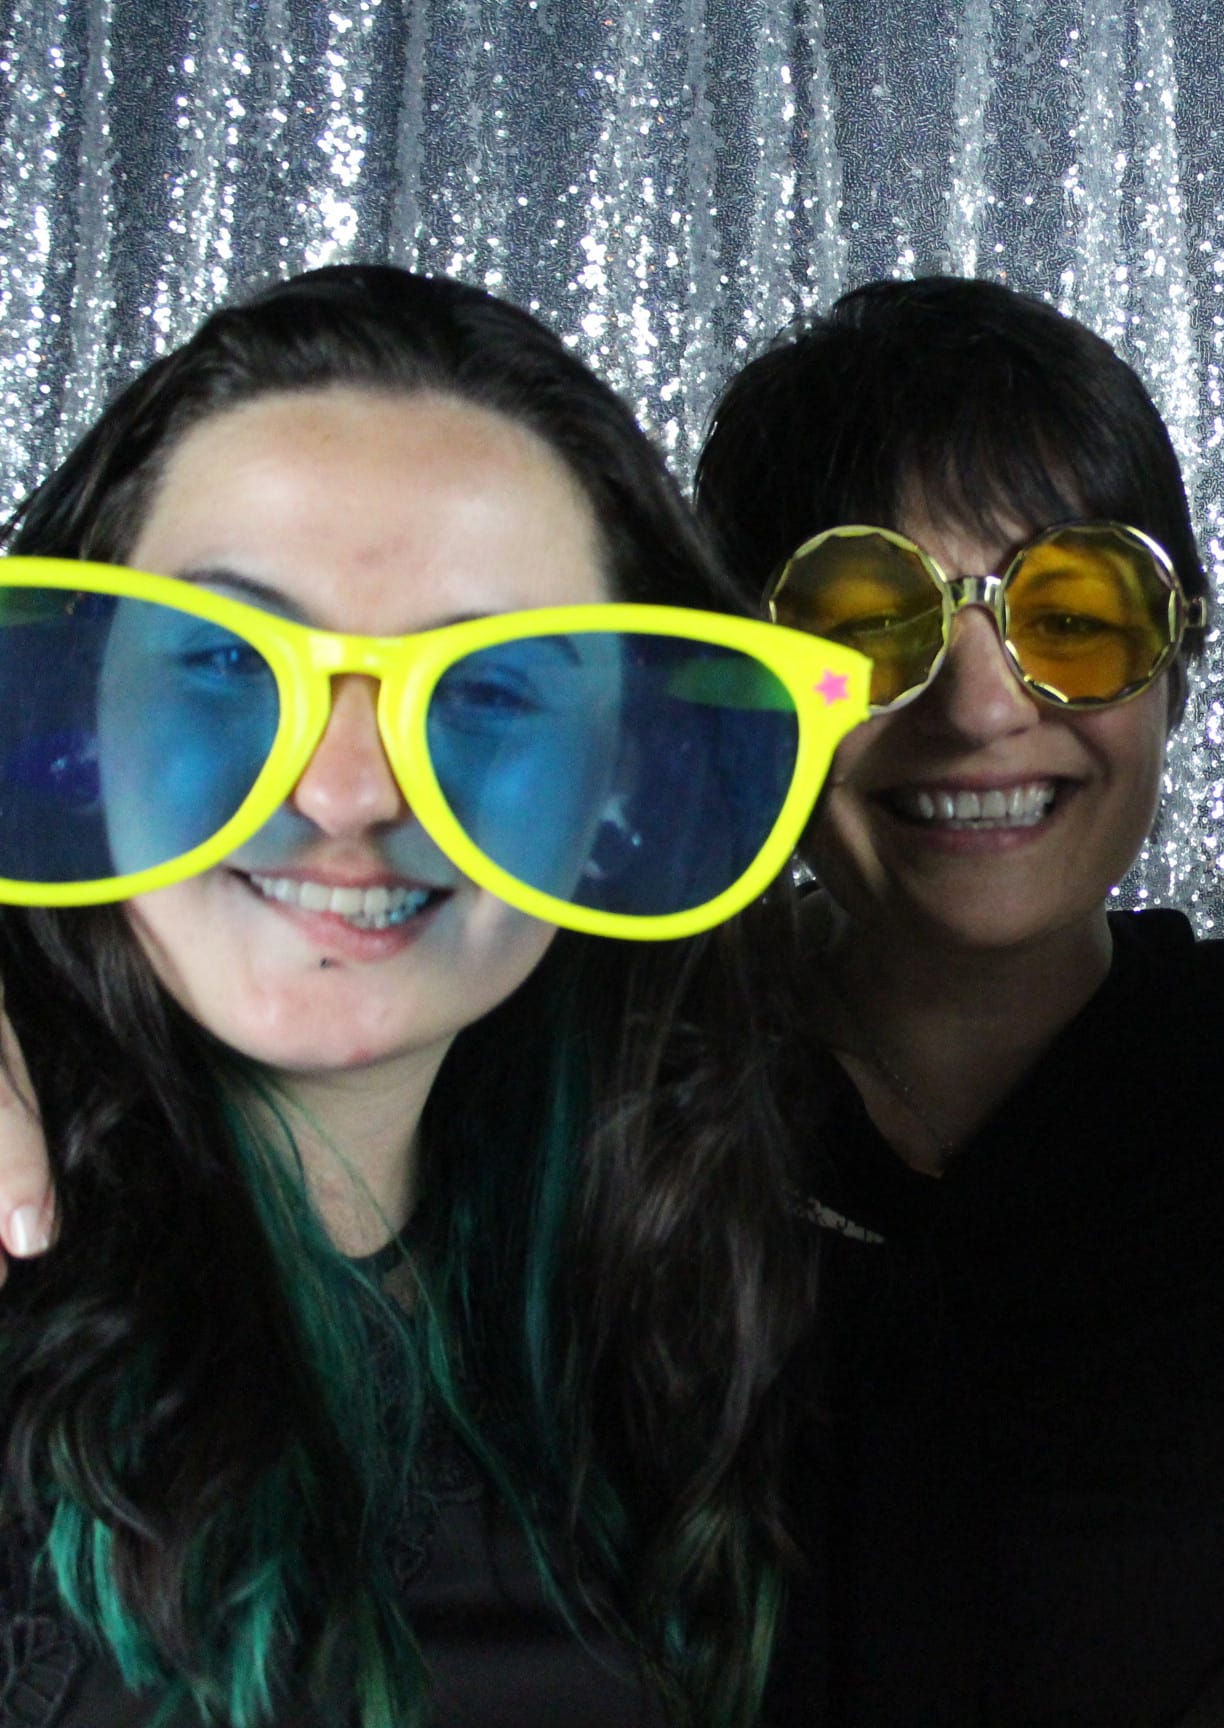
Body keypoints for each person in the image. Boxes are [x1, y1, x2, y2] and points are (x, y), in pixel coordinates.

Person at [0, 265, 809, 1726]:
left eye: (489, 689)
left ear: (617, 774)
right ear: (84, 705)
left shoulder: (675, 1305)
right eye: (223, 660)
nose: (347, 791)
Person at [694, 276, 1224, 1726]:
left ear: (1179, 657)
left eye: (1071, 613)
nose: (982, 707)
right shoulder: (611, 1108)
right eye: (870, 625)